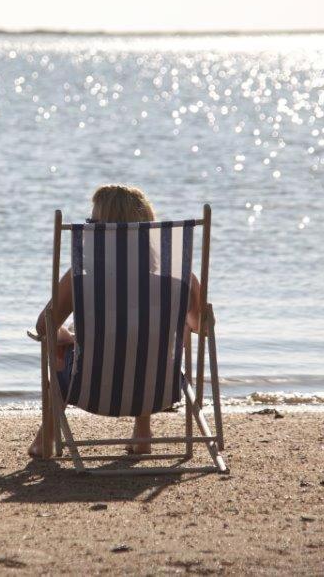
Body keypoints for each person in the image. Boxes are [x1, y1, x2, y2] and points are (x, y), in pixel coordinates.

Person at [28, 184, 201, 458]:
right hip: (159, 387)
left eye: (91, 222)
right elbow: (201, 326)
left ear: (100, 231)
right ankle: (142, 432)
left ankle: (45, 438)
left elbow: (43, 326)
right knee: (147, 339)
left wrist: (64, 337)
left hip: (89, 386)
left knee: (65, 351)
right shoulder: (179, 280)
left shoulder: (80, 280)